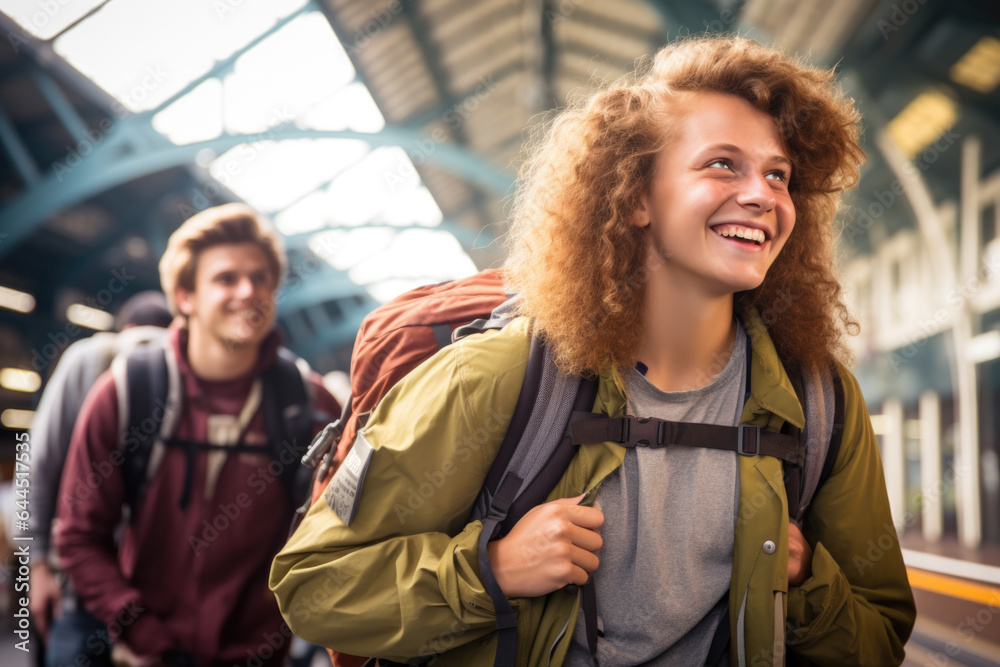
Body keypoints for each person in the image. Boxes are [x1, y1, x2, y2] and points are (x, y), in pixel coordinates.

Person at [270, 36, 916, 666]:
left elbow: (879, 638)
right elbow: (313, 583)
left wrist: (806, 586)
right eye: (723, 164)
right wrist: (489, 569)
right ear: (635, 195)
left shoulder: (819, 399)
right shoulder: (499, 375)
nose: (763, 194)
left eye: (779, 175)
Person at [56, 204, 340, 667]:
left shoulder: (309, 405)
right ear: (185, 296)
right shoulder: (130, 391)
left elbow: (335, 537)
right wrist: (136, 627)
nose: (249, 291)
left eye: (262, 277)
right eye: (226, 279)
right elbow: (78, 534)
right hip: (148, 655)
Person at [28, 291, 173, 667]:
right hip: (154, 598)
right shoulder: (183, 369)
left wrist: (38, 564)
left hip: (82, 587)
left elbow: (39, 464)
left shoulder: (89, 358)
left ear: (122, 327)